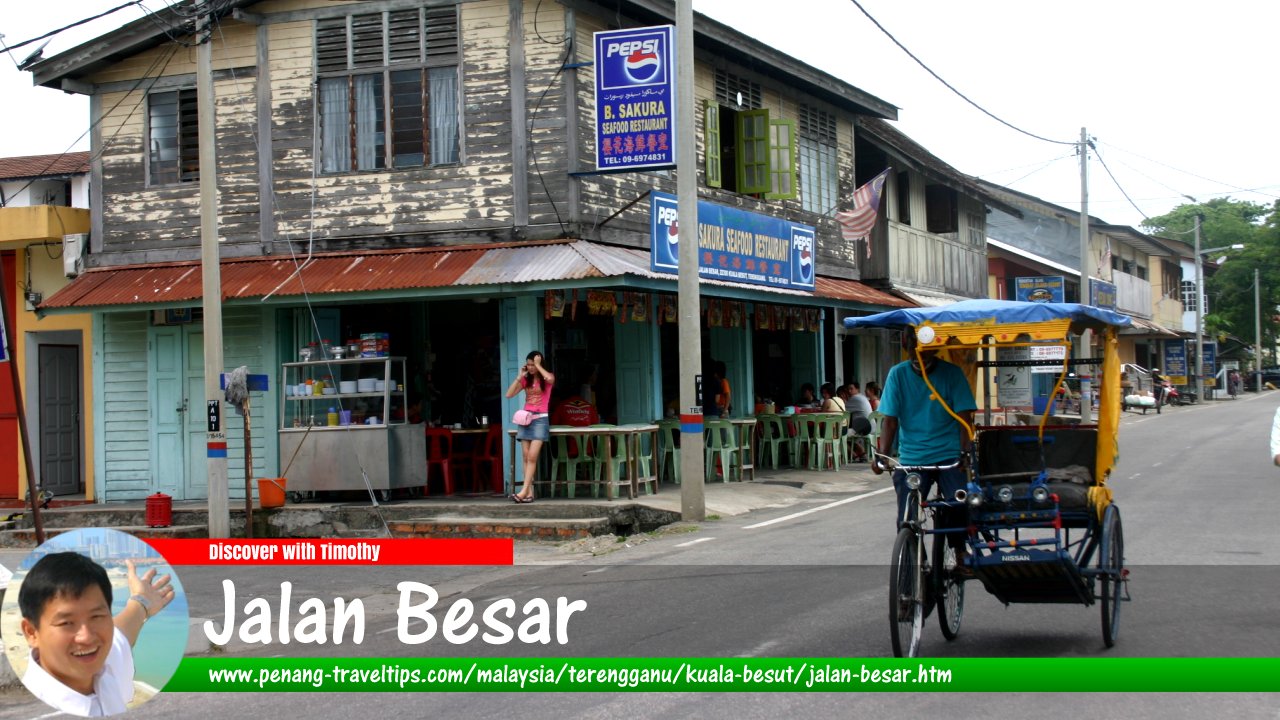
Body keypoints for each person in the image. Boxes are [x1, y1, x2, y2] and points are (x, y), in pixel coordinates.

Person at [18, 552, 175, 717]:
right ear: (31, 632)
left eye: (96, 616)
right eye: (66, 623)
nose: (86, 637)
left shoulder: (105, 663)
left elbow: (121, 633)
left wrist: (142, 601)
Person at [872, 330, 977, 572]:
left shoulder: (951, 374)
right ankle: (916, 565)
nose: (921, 356)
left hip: (949, 454)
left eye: (926, 350)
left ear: (935, 348)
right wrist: (882, 455)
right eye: (914, 350)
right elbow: (890, 421)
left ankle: (960, 549)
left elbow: (965, 418)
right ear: (907, 348)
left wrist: (965, 453)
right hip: (913, 457)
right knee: (906, 517)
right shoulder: (898, 374)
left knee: (957, 503)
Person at [506, 351, 554, 503]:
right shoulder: (526, 380)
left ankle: (524, 491)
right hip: (526, 420)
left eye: (534, 364)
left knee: (532, 457)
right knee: (525, 457)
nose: (531, 367)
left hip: (540, 420)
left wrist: (539, 366)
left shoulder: (546, 379)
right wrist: (519, 377)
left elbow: (549, 378)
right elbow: (509, 394)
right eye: (529, 364)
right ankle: (529, 493)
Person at [551, 392, 599, 457]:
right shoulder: (589, 406)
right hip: (587, 450)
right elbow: (596, 425)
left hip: (566, 452)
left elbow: (553, 425)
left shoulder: (561, 406)